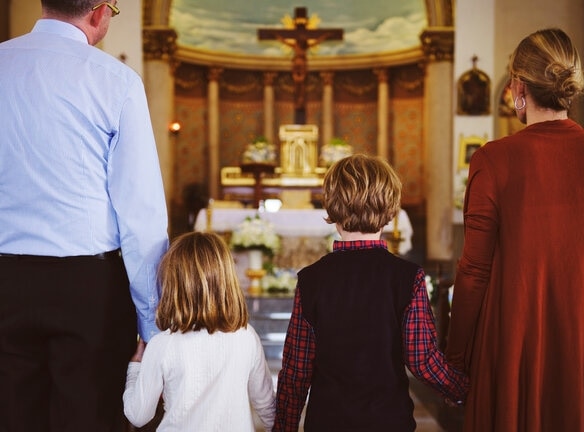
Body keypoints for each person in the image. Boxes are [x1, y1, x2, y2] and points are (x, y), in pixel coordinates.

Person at [0, 1, 169, 431]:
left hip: (5, 278)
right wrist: (152, 324)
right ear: (98, 13)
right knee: (89, 419)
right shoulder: (116, 82)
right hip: (89, 289)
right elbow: (140, 211)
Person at [445, 28, 584, 432]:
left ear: (517, 87)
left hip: (515, 343)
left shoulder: (493, 159)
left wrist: (456, 358)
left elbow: (474, 272)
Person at [274, 154, 469, 431]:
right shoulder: (407, 277)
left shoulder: (311, 280)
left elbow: (296, 371)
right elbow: (422, 359)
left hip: (328, 422)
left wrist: (283, 426)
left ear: (331, 204)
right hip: (387, 421)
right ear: (389, 208)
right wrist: (462, 390)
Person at [123, 232, 276, 431]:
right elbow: (267, 408)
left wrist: (135, 368)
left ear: (172, 284)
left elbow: (138, 415)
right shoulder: (246, 336)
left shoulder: (162, 344)